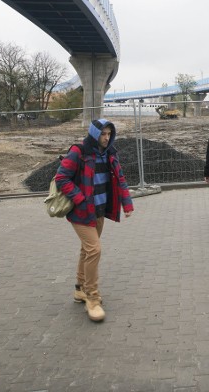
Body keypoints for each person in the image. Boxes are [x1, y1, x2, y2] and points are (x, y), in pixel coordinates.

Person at [54, 118, 134, 322]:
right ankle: (92, 298)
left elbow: (121, 178)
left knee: (87, 250)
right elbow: (61, 178)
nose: (106, 138)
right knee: (94, 250)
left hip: (99, 210)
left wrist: (127, 203)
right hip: (82, 212)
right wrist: (80, 199)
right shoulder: (79, 152)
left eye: (109, 134)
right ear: (93, 134)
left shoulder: (110, 154)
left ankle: (80, 289)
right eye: (102, 134)